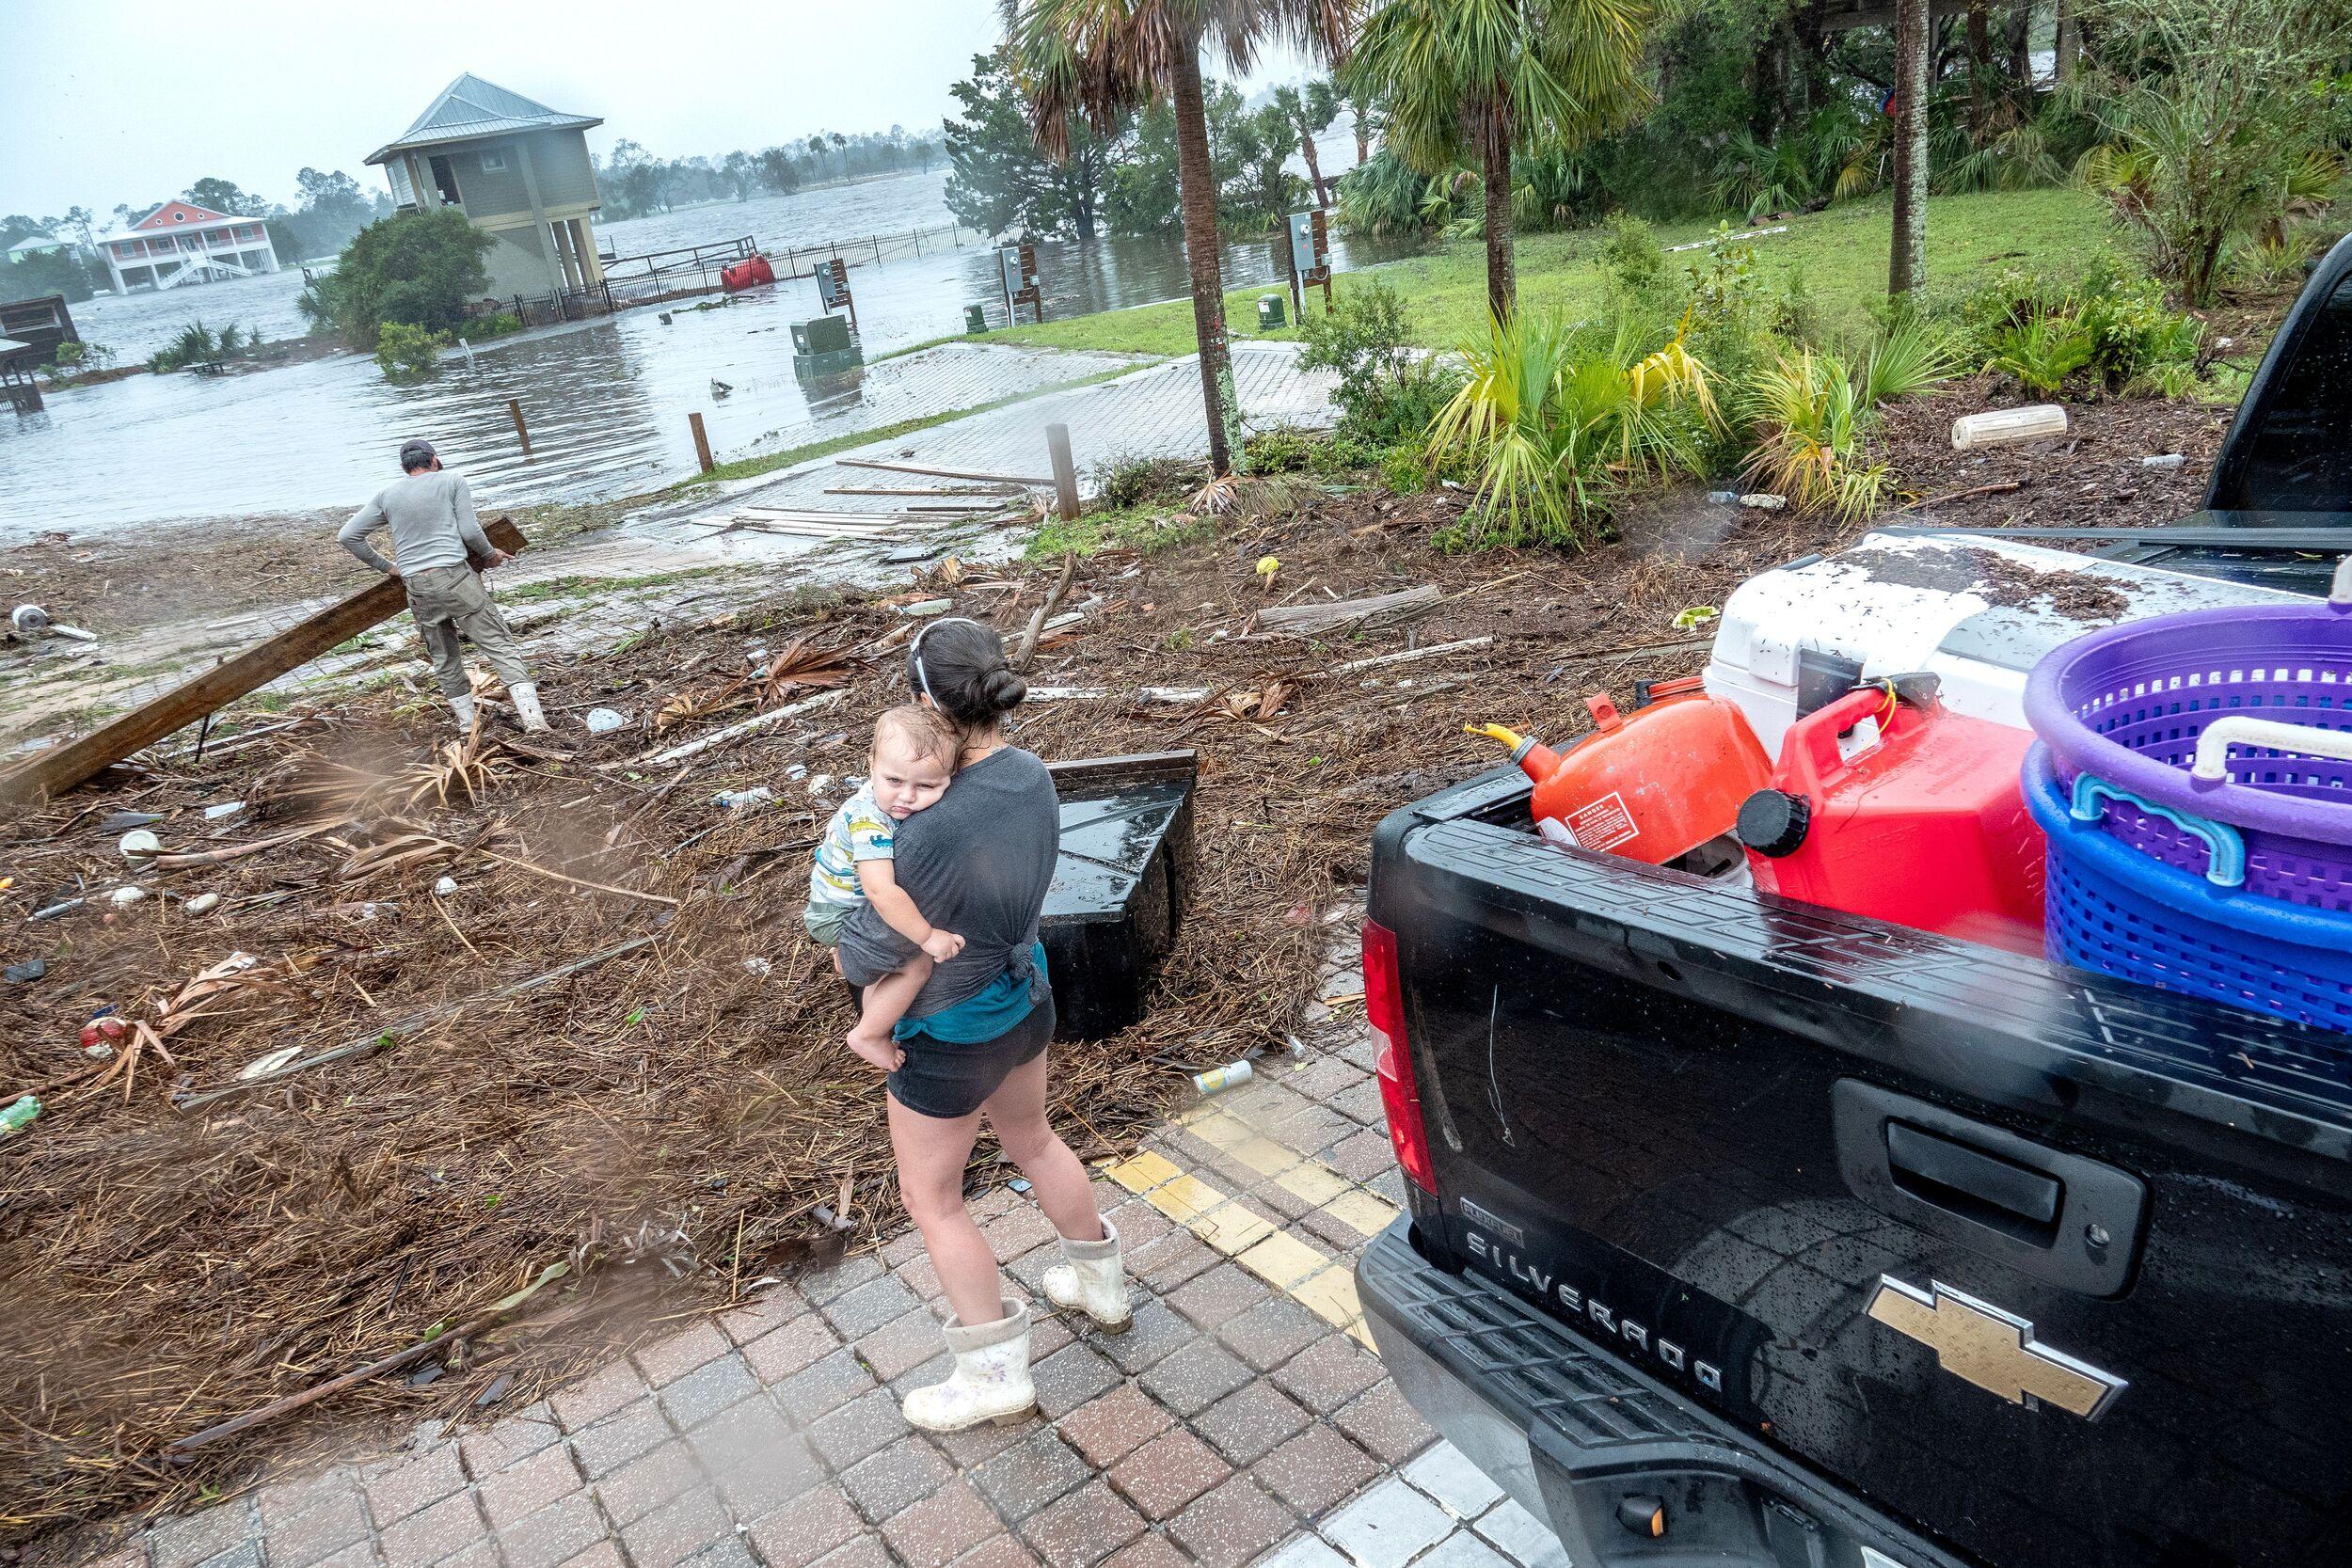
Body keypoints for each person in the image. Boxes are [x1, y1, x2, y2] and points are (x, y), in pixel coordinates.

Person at [834, 618, 1126, 1433]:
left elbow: (865, 954)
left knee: (934, 1199)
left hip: (950, 1029)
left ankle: (994, 1374)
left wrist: (839, 937)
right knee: (1032, 1140)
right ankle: (1100, 1285)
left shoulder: (924, 825)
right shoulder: (1031, 773)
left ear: (926, 699)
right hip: (1027, 993)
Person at [338, 438, 548, 733]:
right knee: (499, 646)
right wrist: (489, 555)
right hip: (455, 577)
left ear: (403, 467)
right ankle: (534, 722)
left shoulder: (386, 495)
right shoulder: (452, 480)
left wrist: (388, 567)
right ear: (434, 460)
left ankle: (466, 727)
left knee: (444, 657)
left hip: (417, 587)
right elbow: (470, 530)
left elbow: (347, 536)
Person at [805, 705, 969, 1067]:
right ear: (871, 765)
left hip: (833, 902)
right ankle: (869, 1034)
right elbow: (881, 892)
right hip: (841, 914)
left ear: (951, 777)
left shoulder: (887, 797)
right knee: (916, 964)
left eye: (926, 786)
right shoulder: (870, 823)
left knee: (891, 966)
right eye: (894, 781)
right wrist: (927, 937)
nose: (907, 797)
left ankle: (859, 973)